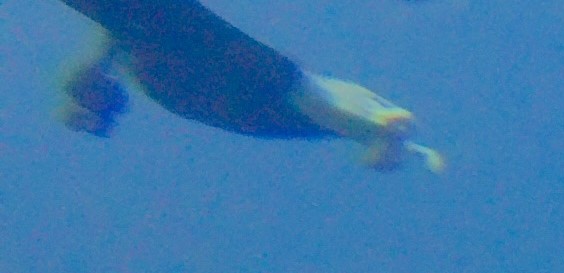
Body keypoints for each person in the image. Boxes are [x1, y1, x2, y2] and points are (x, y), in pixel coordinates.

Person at [48, 0, 433, 166]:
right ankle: (378, 125)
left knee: (292, 91)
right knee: (292, 91)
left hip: (187, 64)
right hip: (184, 66)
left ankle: (378, 125)